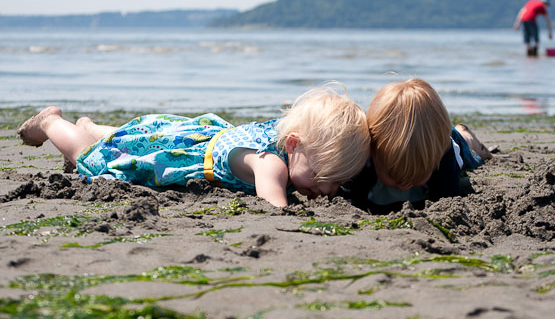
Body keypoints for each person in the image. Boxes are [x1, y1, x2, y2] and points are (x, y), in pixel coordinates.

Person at [16, 85, 370, 207]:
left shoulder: (288, 138)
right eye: (324, 176)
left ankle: (90, 126)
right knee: (93, 159)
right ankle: (52, 122)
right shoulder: (272, 165)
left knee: (133, 139)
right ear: (293, 144)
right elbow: (274, 205)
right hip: (178, 156)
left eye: (338, 181)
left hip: (184, 135)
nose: (328, 189)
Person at [340, 78, 493, 214]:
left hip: (451, 139)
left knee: (471, 153)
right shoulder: (365, 153)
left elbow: (448, 198)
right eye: (395, 177)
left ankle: (465, 133)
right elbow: (349, 195)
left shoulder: (445, 155)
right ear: (373, 151)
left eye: (417, 177)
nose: (405, 186)